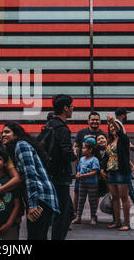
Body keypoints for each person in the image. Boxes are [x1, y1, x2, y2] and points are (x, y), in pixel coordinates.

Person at [1, 122, 59, 240]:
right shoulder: (16, 148)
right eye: (2, 132)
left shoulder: (21, 145)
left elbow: (30, 175)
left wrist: (33, 205)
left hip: (40, 198)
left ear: (16, 134)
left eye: (7, 132)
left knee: (35, 236)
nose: (3, 135)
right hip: (40, 198)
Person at [43, 94, 77, 240]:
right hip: (60, 177)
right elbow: (67, 154)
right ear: (65, 108)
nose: (73, 108)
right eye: (71, 106)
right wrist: (75, 153)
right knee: (64, 213)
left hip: (49, 175)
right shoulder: (63, 129)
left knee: (62, 212)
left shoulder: (49, 125)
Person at [72, 112, 106, 216]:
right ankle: (74, 214)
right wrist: (76, 162)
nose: (95, 121)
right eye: (93, 119)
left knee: (95, 194)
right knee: (77, 192)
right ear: (88, 121)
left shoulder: (103, 135)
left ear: (99, 121)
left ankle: (93, 215)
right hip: (82, 169)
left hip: (96, 171)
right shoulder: (81, 132)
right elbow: (75, 146)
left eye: (97, 120)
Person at [101, 115, 131, 231]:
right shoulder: (110, 141)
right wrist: (103, 169)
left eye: (114, 126)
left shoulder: (124, 139)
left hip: (121, 171)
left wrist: (112, 120)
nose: (112, 128)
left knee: (124, 197)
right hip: (111, 171)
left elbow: (120, 132)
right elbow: (106, 157)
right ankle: (117, 221)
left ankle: (127, 223)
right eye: (110, 127)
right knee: (114, 197)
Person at [72, 139, 100, 226]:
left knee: (92, 201)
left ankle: (92, 217)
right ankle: (78, 217)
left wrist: (83, 176)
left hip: (92, 183)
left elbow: (95, 172)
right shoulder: (81, 159)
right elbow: (78, 169)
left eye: (84, 148)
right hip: (82, 183)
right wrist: (78, 174)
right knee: (81, 200)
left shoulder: (94, 160)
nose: (82, 150)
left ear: (90, 150)